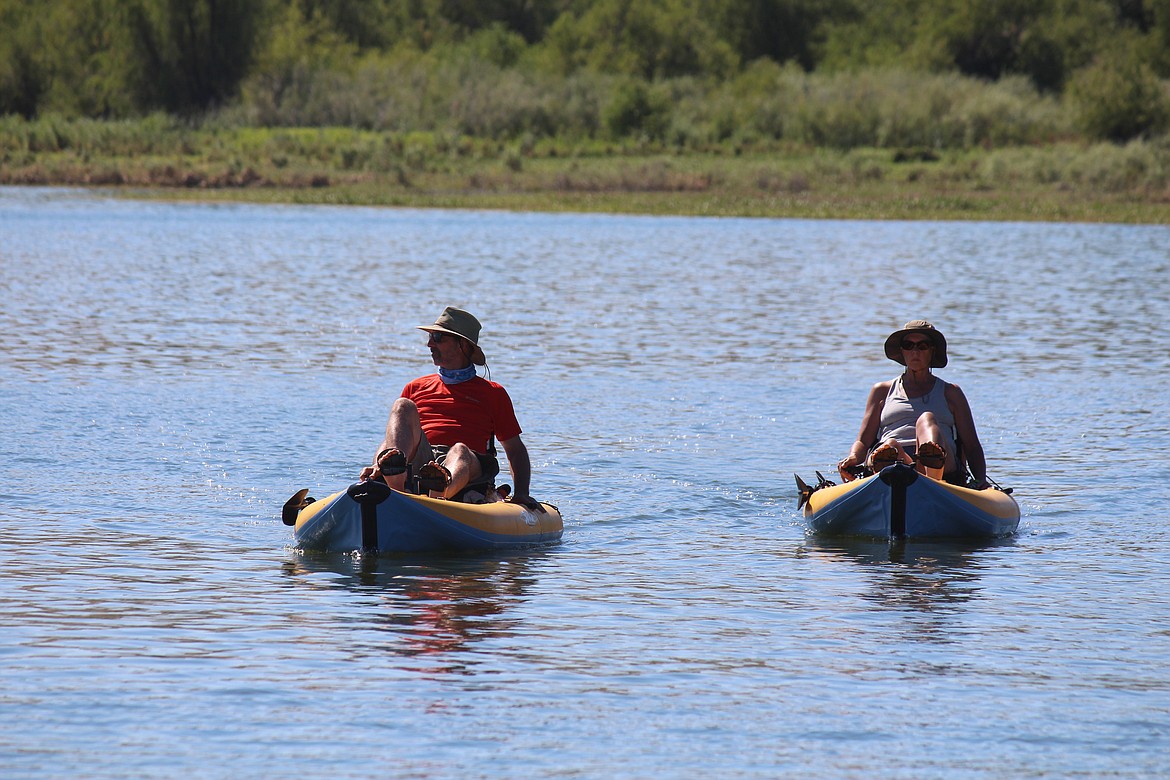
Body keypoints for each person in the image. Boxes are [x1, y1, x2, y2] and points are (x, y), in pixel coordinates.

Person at [358, 306, 542, 509]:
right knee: (402, 406)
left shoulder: (493, 393)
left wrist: (522, 493)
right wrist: (378, 464)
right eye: (430, 337)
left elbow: (515, 449)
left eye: (438, 337)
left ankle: (439, 490)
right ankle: (397, 488)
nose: (429, 344)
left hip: (466, 464)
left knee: (459, 451)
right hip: (420, 457)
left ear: (462, 345)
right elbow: (393, 438)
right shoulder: (415, 387)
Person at [836, 320, 990, 488]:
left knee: (927, 419)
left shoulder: (951, 392)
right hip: (896, 460)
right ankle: (890, 470)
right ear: (902, 351)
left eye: (922, 345)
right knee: (890, 446)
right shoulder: (881, 391)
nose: (915, 351)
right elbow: (863, 442)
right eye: (908, 345)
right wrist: (853, 457)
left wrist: (980, 480)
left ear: (932, 351)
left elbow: (972, 445)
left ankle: (932, 474)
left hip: (943, 464)